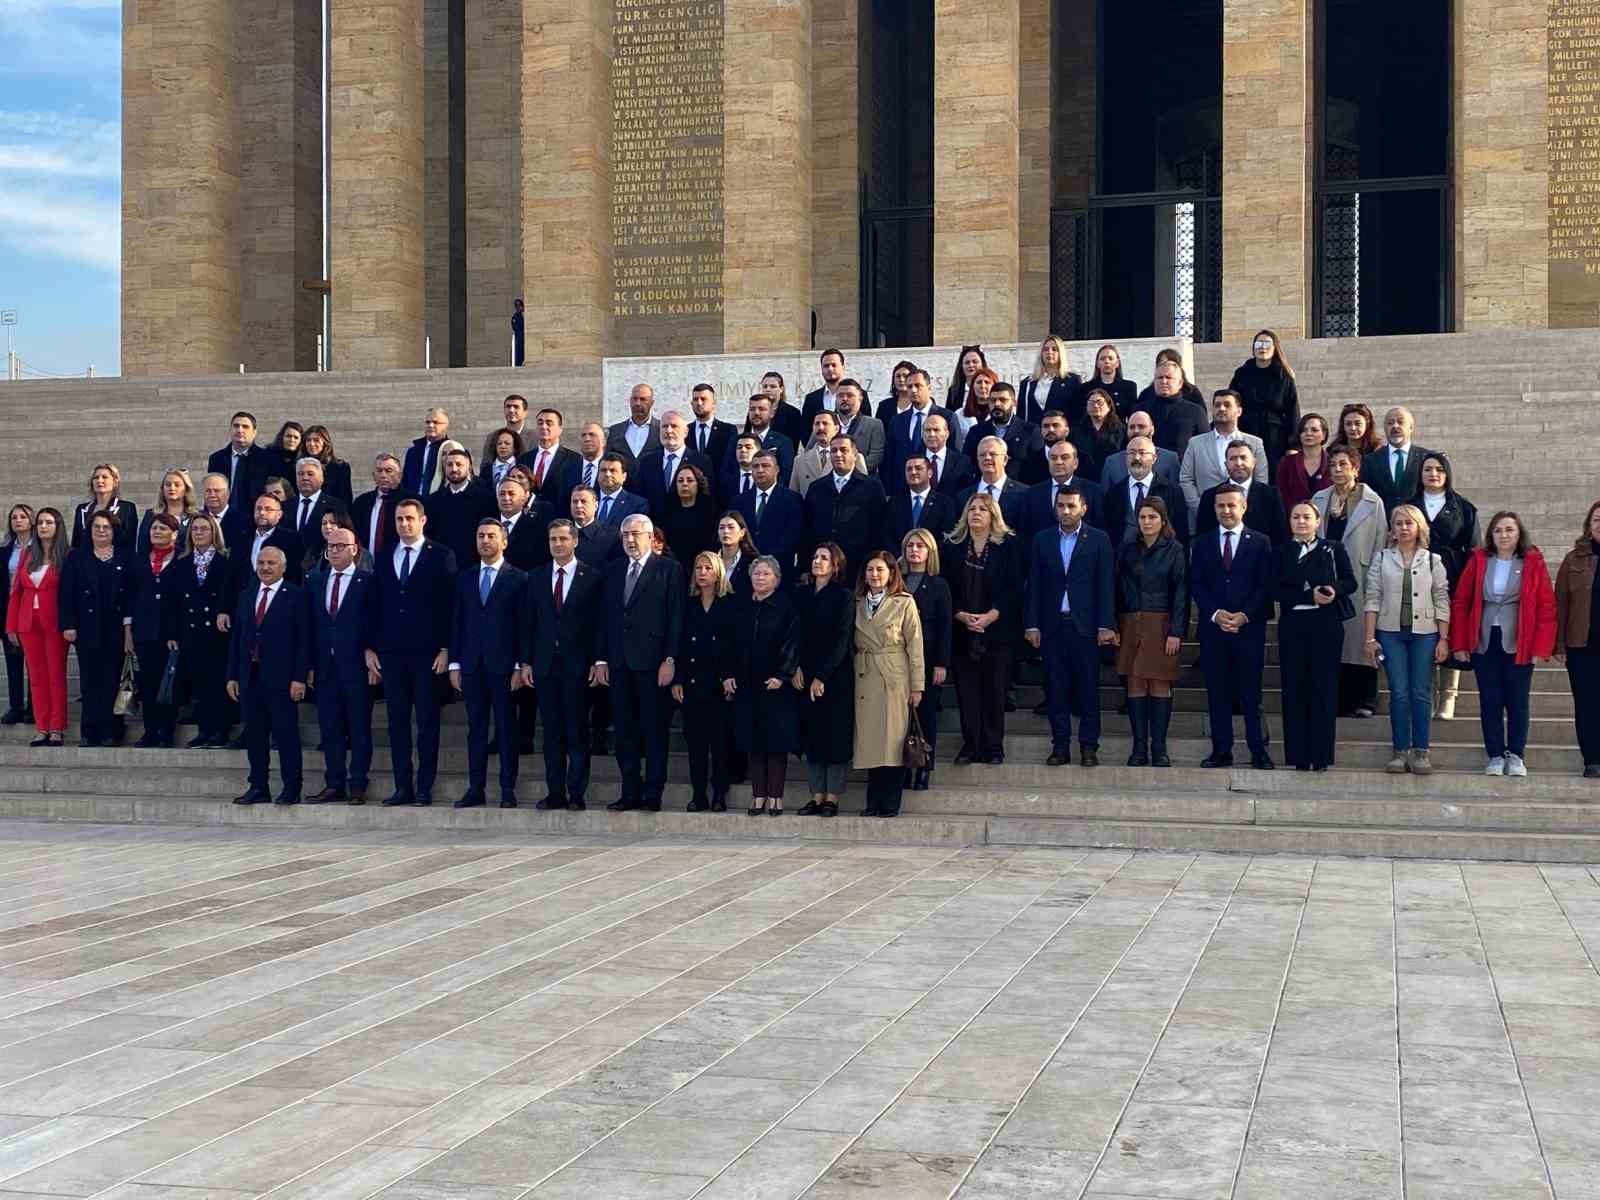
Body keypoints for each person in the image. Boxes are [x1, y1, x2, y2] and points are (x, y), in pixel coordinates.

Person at [1451, 512, 1556, 777]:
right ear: (1491, 535)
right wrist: (1460, 643)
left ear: (1519, 534)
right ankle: (1496, 755)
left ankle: (1516, 754)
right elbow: (1461, 602)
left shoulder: (1532, 561)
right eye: (1498, 530)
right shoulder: (1479, 560)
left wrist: (1540, 647)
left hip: (1519, 640)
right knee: (1490, 700)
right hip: (1485, 640)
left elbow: (1546, 606)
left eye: (1509, 530)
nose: (1504, 535)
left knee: (1517, 701)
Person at [597, 514, 684, 812]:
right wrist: (601, 658)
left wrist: (670, 659)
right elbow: (604, 617)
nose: (630, 540)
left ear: (650, 537)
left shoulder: (669, 569)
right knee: (624, 730)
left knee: (654, 729)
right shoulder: (613, 569)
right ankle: (629, 791)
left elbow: (675, 617)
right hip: (619, 662)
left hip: (653, 663)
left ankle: (653, 791)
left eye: (635, 534)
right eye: (625, 535)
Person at [1024, 487, 1116, 766]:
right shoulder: (1042, 539)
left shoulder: (1099, 539)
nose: (1065, 511)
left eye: (1071, 506)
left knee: (1088, 689)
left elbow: (1106, 584)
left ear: (1083, 508)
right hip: (1052, 626)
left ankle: (1089, 747)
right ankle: (1060, 746)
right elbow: (1034, 584)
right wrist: (1032, 624)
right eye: (1061, 505)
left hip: (1085, 627)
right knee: (1055, 689)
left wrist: (1106, 624)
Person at [373, 498, 456, 807]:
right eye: (399, 519)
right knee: (396, 723)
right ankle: (402, 787)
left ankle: (424, 787)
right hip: (393, 653)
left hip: (428, 654)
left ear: (422, 520)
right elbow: (375, 603)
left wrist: (446, 648)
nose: (404, 524)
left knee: (426, 723)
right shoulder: (384, 555)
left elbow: (449, 605)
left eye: (409, 518)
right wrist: (371, 647)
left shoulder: (441, 555)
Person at [1190, 484, 1276, 770]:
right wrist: (1215, 614)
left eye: (1231, 505)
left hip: (1248, 629)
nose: (1226, 510)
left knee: (1251, 693)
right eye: (1221, 506)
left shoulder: (1260, 541)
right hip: (1214, 630)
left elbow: (1264, 584)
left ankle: (1258, 750)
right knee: (1218, 693)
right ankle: (1221, 750)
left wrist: (1244, 615)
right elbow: (1196, 583)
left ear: (1243, 507)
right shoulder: (1202, 543)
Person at [1363, 505, 1452, 775]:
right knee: (1399, 692)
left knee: (1421, 691)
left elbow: (1441, 598)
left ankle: (1421, 751)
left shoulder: (1433, 560)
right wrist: (1369, 638)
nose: (1403, 528)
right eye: (1399, 523)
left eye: (1409, 523)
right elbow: (1373, 597)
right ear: (1392, 528)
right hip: (1390, 633)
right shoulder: (1381, 558)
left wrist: (1443, 638)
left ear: (1419, 527)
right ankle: (1400, 751)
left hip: (1425, 633)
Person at [524, 519, 604, 810]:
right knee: (552, 732)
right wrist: (526, 661)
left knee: (577, 731)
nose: (557, 544)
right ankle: (555, 792)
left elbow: (598, 624)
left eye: (563, 539)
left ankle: (576, 794)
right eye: (553, 540)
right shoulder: (536, 576)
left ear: (575, 541)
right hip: (545, 666)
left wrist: (597, 660)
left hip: (578, 666)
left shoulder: (591, 577)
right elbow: (529, 622)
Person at [449, 519, 529, 809]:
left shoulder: (519, 578)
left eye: (491, 536)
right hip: (472, 664)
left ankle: (507, 789)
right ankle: (476, 788)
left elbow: (523, 625)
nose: (485, 540)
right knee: (476, 728)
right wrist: (455, 663)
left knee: (506, 728)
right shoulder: (466, 577)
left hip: (504, 666)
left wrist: (520, 665)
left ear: (504, 541)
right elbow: (457, 621)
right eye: (481, 536)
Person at [1274, 501, 1357, 771]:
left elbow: (1350, 581)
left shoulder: (1333, 548)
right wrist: (1308, 595)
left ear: (1317, 521)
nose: (1301, 521)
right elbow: (1274, 588)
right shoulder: (1281, 551)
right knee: (1294, 688)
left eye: (1306, 517)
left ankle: (1321, 756)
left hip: (1326, 625)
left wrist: (1333, 590)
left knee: (1324, 688)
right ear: (1289, 522)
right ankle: (1298, 756)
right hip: (1293, 626)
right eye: (1296, 517)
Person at [943, 493, 1022, 766]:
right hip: (962, 630)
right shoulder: (953, 547)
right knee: (967, 693)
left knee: (995, 691)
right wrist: (960, 614)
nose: (976, 513)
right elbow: (946, 587)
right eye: (972, 508)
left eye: (983, 509)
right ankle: (971, 745)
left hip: (997, 631)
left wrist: (991, 615)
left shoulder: (1008, 546)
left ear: (993, 515)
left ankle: (994, 747)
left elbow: (1014, 587)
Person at [226, 546, 307, 805]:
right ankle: (258, 786)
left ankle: (291, 788)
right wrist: (233, 675)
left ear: (283, 567)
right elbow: (238, 638)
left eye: (271, 563)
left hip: (282, 679)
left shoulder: (296, 595)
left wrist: (299, 677)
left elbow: (303, 641)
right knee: (255, 735)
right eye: (261, 563)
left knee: (286, 735)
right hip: (250, 677)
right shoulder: (247, 595)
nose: (265, 567)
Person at [304, 522, 377, 804]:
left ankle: (357, 784)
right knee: (330, 728)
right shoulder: (316, 581)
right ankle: (334, 783)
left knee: (358, 728)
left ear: (354, 550)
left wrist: (371, 652)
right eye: (330, 547)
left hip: (356, 666)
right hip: (325, 668)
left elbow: (374, 622)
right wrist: (309, 665)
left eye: (340, 546)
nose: (334, 551)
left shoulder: (367, 581)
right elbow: (309, 626)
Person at [1313, 444, 1387, 718]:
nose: (1337, 470)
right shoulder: (1319, 498)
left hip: (1359, 574)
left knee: (1360, 639)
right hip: (1327, 577)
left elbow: (1380, 542)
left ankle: (1365, 699)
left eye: (1343, 464)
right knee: (1334, 640)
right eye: (1332, 465)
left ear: (1355, 469)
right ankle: (1337, 700)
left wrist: (1375, 578)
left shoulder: (1372, 501)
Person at [723, 556, 800, 815]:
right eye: (756, 573)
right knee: (753, 740)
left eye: (766, 574)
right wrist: (728, 673)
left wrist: (782, 674)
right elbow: (730, 644)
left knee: (776, 742)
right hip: (747, 683)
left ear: (776, 580)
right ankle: (758, 796)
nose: (760, 578)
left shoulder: (786, 607)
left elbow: (792, 643)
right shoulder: (742, 606)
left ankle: (775, 797)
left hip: (776, 685)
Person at [1114, 497, 1187, 767]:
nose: (1147, 522)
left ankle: (1159, 748)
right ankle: (1138, 748)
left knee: (1158, 683)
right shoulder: (1127, 548)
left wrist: (1176, 631)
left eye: (1152, 517)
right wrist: (1113, 624)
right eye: (1142, 517)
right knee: (1135, 683)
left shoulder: (1175, 549)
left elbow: (1181, 591)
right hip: (1131, 621)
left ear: (1163, 520)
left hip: (1162, 623)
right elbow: (1116, 586)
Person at [853, 551, 926, 816]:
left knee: (893, 740)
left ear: (892, 573)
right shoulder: (857, 602)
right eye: (870, 569)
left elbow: (915, 645)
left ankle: (890, 803)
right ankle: (873, 802)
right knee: (871, 740)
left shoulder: (904, 602)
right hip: (865, 674)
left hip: (894, 676)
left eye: (880, 570)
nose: (874, 575)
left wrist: (917, 686)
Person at [59, 510, 131, 748]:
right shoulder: (76, 557)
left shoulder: (125, 556)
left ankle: (111, 731)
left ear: (114, 531)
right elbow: (66, 593)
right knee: (90, 682)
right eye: (96, 527)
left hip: (115, 629)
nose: (101, 531)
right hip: (87, 628)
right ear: (89, 531)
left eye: (106, 527)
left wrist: (129, 628)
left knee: (112, 680)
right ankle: (89, 731)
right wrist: (68, 624)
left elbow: (131, 594)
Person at [792, 543, 854, 816]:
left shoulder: (843, 596)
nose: (817, 561)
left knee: (835, 736)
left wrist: (822, 676)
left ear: (835, 565)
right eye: (815, 556)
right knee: (813, 735)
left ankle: (832, 797)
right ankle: (816, 795)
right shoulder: (802, 594)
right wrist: (794, 667)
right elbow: (794, 633)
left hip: (834, 676)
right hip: (805, 672)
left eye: (824, 558)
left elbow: (842, 639)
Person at [1418, 452, 1480, 720]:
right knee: (1424, 633)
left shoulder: (1463, 507)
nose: (1433, 474)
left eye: (1439, 469)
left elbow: (1474, 548)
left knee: (1450, 632)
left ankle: (1448, 695)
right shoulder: (1410, 505)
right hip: (1417, 575)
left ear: (1447, 474)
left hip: (1453, 575)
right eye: (1428, 469)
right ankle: (1428, 694)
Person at [674, 551, 734, 812]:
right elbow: (678, 642)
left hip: (719, 684)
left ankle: (719, 793)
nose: (702, 573)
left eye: (708, 568)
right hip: (692, 682)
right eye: (698, 568)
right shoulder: (688, 604)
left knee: (719, 744)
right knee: (696, 743)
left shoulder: (730, 604)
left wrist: (730, 675)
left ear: (718, 572)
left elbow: (735, 645)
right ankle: (698, 794)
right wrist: (677, 679)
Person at [168, 514, 233, 749]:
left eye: (204, 529)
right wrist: (173, 633)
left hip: (217, 631)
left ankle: (219, 731)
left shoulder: (225, 559)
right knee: (199, 684)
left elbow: (229, 592)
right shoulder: (182, 561)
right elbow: (174, 600)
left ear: (214, 532)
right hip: (191, 630)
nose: (198, 533)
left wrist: (224, 611)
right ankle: (204, 731)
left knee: (217, 682)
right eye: (194, 529)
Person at [7, 508, 70, 746]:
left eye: (49, 522)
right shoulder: (27, 554)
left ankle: (56, 728)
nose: (43, 526)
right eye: (41, 522)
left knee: (55, 676)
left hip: (54, 623)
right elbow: (16, 593)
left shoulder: (66, 555)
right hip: (27, 623)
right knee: (36, 678)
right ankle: (41, 727)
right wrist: (11, 626)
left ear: (57, 526)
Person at [124, 512, 181, 747]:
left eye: (163, 528)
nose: (157, 532)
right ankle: (150, 731)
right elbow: (129, 596)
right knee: (148, 683)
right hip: (144, 632)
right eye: (154, 528)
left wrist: (175, 633)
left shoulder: (181, 560)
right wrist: (128, 631)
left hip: (169, 635)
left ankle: (166, 732)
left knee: (167, 682)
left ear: (174, 534)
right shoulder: (139, 560)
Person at [900, 529, 951, 790]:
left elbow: (945, 626)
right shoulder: (896, 580)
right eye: (910, 545)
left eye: (920, 546)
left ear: (930, 551)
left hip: (928, 658)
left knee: (926, 716)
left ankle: (924, 767)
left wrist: (941, 663)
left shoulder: (939, 584)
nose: (914, 550)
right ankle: (903, 768)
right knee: (901, 718)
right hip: (898, 659)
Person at [1556, 501, 1600, 779]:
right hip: (1582, 646)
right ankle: (1592, 759)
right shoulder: (1574, 559)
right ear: (1588, 525)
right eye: (1597, 519)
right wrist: (1559, 644)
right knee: (1586, 704)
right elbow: (1561, 603)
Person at [804, 435, 888, 582]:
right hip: (823, 570)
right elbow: (807, 530)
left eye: (844, 450)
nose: (838, 454)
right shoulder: (816, 488)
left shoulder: (872, 487)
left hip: (858, 568)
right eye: (833, 450)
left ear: (855, 455)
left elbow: (879, 529)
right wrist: (805, 567)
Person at [1178, 389, 1268, 527]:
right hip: (1206, 522)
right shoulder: (1195, 443)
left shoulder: (1255, 443)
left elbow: (1261, 479)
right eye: (1217, 405)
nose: (1221, 408)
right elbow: (1186, 479)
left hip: (1248, 521)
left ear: (1239, 411)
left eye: (1227, 405)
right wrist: (1203, 508)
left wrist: (1244, 511)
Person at [1230, 330, 1300, 471]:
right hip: (1247, 430)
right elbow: (1232, 401)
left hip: (1274, 436)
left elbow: (1293, 411)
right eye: (1258, 344)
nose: (1262, 347)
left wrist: (1293, 445)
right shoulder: (1242, 373)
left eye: (1267, 343)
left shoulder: (1283, 376)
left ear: (1275, 348)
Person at [1194, 442, 1288, 548]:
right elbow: (1202, 538)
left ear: (1253, 462)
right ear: (1226, 464)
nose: (1238, 463)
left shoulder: (1271, 495)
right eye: (1233, 459)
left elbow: (1280, 537)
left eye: (1243, 458)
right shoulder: (1210, 496)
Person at [1104, 437, 1190, 547]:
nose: (1136, 458)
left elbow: (1182, 534)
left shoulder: (1172, 491)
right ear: (1126, 458)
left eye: (1142, 453)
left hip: (1162, 556)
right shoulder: (1114, 493)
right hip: (1123, 556)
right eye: (1132, 453)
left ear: (1154, 458)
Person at [735, 451, 802, 578]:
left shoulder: (792, 500)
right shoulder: (739, 501)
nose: (760, 470)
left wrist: (767, 562)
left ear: (777, 469)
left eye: (765, 466)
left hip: (779, 570)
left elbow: (793, 536)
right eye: (755, 466)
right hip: (745, 569)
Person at [227, 493, 302, 607]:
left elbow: (294, 576)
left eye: (268, 509)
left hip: (277, 604)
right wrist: (224, 609)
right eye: (259, 508)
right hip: (241, 605)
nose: (262, 513)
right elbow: (230, 574)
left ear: (279, 514)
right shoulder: (241, 537)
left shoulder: (291, 540)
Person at [885, 368, 960, 481]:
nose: (913, 390)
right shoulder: (896, 420)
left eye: (918, 385)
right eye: (909, 387)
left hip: (938, 484)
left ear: (929, 388)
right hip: (901, 487)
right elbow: (889, 458)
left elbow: (956, 456)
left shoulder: (948, 417)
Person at [426, 447, 497, 567]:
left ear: (468, 467)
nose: (454, 469)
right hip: (441, 565)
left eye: (458, 464)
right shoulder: (433, 500)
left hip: (473, 565)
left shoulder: (486, 498)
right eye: (449, 465)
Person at [635, 410, 712, 516]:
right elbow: (640, 497)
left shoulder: (701, 461)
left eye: (674, 426)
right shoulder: (647, 462)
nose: (669, 430)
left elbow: (707, 498)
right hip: (653, 523)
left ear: (685, 432)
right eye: (664, 426)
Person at [1360, 406, 1435, 512]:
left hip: (1418, 520)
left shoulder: (1427, 458)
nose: (1395, 426)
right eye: (1390, 423)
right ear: (1385, 428)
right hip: (1382, 520)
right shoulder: (1370, 461)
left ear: (1411, 427)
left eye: (1400, 422)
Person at [1023, 441, 1104, 537]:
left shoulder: (1093, 491)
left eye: (1064, 457)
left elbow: (1099, 529)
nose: (1058, 462)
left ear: (1075, 463)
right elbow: (1025, 532)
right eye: (1053, 458)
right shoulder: (1032, 493)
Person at [963, 381, 1042, 478]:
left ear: (1014, 402)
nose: (997, 404)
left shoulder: (1030, 431)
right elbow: (967, 464)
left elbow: (1037, 467)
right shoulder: (976, 431)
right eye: (993, 400)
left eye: (1003, 400)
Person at [1, 504, 35, 726]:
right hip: (8, 611)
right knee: (13, 661)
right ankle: (15, 706)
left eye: (23, 516)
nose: (18, 520)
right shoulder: (5, 551)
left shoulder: (40, 548)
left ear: (32, 521)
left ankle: (33, 707)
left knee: (33, 662)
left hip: (32, 609)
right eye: (14, 517)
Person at [1139, 357, 1208, 459]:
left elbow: (1205, 447)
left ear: (1180, 383)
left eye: (1168, 377)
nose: (1164, 381)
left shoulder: (1196, 412)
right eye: (1159, 378)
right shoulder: (1141, 410)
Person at [886, 455, 958, 549]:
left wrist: (929, 555)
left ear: (930, 473)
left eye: (918, 468)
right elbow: (887, 536)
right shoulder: (894, 503)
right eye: (909, 469)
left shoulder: (945, 503)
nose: (913, 472)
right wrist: (901, 556)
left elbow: (947, 537)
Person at [958, 437, 1029, 531]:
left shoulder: (1024, 494)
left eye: (992, 454)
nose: (987, 458)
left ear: (1005, 460)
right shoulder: (964, 496)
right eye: (982, 455)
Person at [352, 453, 415, 555]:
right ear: (373, 476)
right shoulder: (361, 502)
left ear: (399, 475)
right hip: (366, 561)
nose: (383, 475)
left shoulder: (412, 501)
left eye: (388, 471)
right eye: (379, 471)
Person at [288, 457, 349, 563]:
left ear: (321, 479)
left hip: (321, 565)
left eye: (310, 474)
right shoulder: (286, 505)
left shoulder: (336, 505)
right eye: (300, 474)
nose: (305, 478)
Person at [207, 411, 271, 511]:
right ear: (230, 430)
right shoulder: (217, 458)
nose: (240, 430)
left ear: (254, 432)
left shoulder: (267, 459)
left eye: (245, 427)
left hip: (255, 514)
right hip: (225, 514)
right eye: (236, 426)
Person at [1102, 412, 1181, 491]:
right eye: (1132, 427)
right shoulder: (1112, 462)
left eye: (1141, 427)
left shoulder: (1170, 459)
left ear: (1152, 430)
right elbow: (1105, 495)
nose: (1136, 431)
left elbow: (1175, 493)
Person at [72, 463, 138, 551]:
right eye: (96, 477)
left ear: (115, 482)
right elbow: (76, 542)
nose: (100, 480)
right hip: (84, 557)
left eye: (104, 477)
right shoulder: (81, 509)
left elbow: (129, 542)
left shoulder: (127, 508)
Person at [1276, 413, 1333, 511]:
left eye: (1314, 430)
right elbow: (1281, 495)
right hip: (1294, 517)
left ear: (1324, 435)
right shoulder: (1287, 463)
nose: (1308, 433)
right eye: (1304, 430)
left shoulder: (1332, 462)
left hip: (1326, 517)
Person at [660, 464, 717, 562]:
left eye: (690, 480)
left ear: (698, 483)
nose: (684, 484)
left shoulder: (710, 511)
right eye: (680, 481)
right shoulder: (667, 510)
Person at [790, 410, 853, 498]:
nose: (820, 427)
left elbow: (863, 490)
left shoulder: (854, 458)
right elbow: (793, 495)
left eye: (825, 423)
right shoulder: (799, 461)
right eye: (817, 424)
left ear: (836, 428)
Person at [1067, 387, 1124, 484]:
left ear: (1109, 406)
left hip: (1113, 479)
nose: (1096, 405)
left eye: (1099, 402)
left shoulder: (1120, 430)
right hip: (1084, 479)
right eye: (1091, 403)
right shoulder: (1076, 431)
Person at [737, 394, 797, 484]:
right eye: (752, 409)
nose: (756, 413)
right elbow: (728, 473)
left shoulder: (784, 442)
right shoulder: (736, 441)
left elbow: (786, 477)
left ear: (772, 413)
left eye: (761, 409)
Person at [1018, 335, 1079, 423]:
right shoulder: (1027, 383)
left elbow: (1077, 413)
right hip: (1033, 430)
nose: (1049, 352)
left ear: (1061, 353)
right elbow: (1021, 415)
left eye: (1054, 349)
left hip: (1059, 430)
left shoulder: (1072, 380)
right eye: (1045, 349)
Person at [135, 469, 196, 554]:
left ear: (186, 489)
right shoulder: (151, 514)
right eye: (168, 485)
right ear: (162, 489)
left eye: (177, 485)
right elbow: (143, 546)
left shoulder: (195, 516)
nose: (172, 488)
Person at [1073, 343, 1139, 420]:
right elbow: (1080, 417)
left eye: (1110, 358)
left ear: (1117, 363)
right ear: (1097, 364)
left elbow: (1132, 416)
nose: (1107, 361)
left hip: (1119, 427)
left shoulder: (1129, 387)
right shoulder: (1085, 388)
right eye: (1102, 359)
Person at [834, 379, 886, 474]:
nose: (844, 399)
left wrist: (846, 469)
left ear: (860, 399)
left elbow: (876, 456)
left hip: (862, 479)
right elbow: (810, 452)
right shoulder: (824, 423)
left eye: (849, 395)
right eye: (840, 395)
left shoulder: (874, 424)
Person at [918, 412, 974, 499]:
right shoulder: (913, 460)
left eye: (936, 430)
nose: (931, 434)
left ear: (946, 434)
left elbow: (967, 494)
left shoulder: (962, 462)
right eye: (928, 430)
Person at [687, 383, 739, 471]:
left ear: (713, 403)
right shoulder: (685, 431)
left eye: (703, 399)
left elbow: (731, 462)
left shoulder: (728, 430)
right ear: (691, 403)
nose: (699, 403)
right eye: (695, 399)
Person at [607, 383, 661, 466]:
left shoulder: (661, 429)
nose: (638, 403)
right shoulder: (615, 431)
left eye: (643, 399)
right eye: (635, 399)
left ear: (651, 403)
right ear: (630, 401)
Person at [401, 408, 452, 495]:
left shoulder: (453, 450)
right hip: (414, 500)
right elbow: (405, 481)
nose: (431, 425)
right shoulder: (412, 452)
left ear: (446, 426)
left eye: (436, 422)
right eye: (428, 422)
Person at [301, 425, 353, 506]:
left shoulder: (340, 467)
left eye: (316, 440)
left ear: (325, 443)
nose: (311, 444)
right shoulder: (299, 466)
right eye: (308, 440)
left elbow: (346, 499)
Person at [570, 486, 621, 566]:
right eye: (575, 502)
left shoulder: (611, 535)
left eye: (583, 501)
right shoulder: (560, 532)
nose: (578, 505)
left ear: (596, 506)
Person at [594, 455, 648, 529]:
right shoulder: (587, 500)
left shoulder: (637, 504)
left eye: (613, 471)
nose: (607, 474)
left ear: (624, 476)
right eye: (603, 470)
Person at [757, 370, 808, 448]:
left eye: (772, 386)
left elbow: (793, 443)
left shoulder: (793, 413)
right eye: (765, 386)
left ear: (781, 389)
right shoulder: (755, 411)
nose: (768, 389)